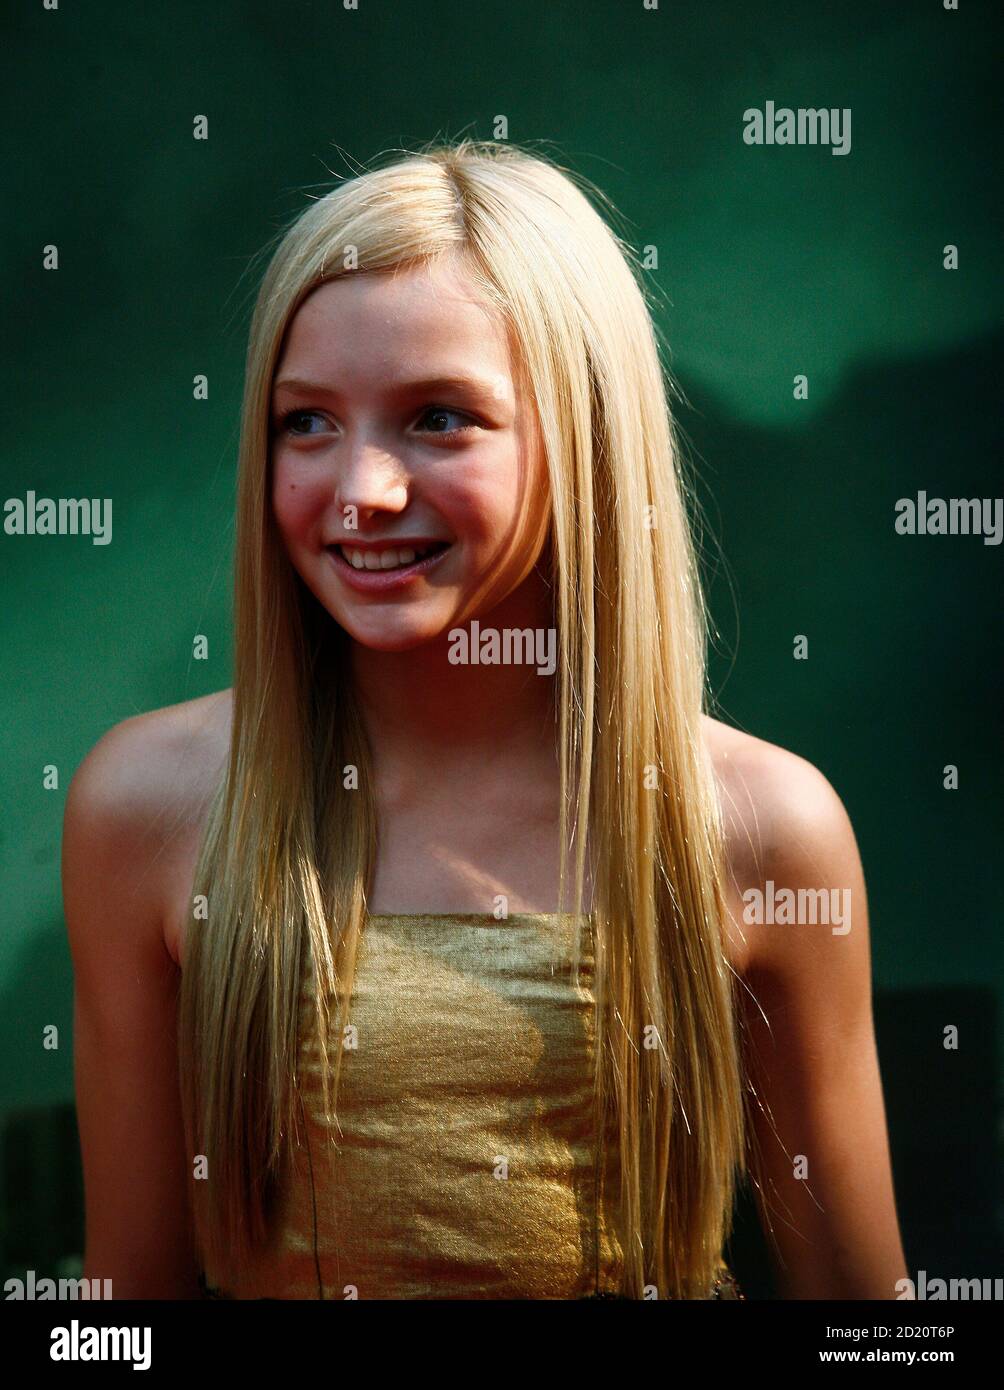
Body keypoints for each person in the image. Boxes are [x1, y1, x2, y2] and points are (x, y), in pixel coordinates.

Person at [62, 138, 909, 1299]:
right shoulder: (145, 806)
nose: (360, 488)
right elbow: (117, 1322)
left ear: (587, 436)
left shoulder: (760, 825)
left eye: (438, 418)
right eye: (306, 422)